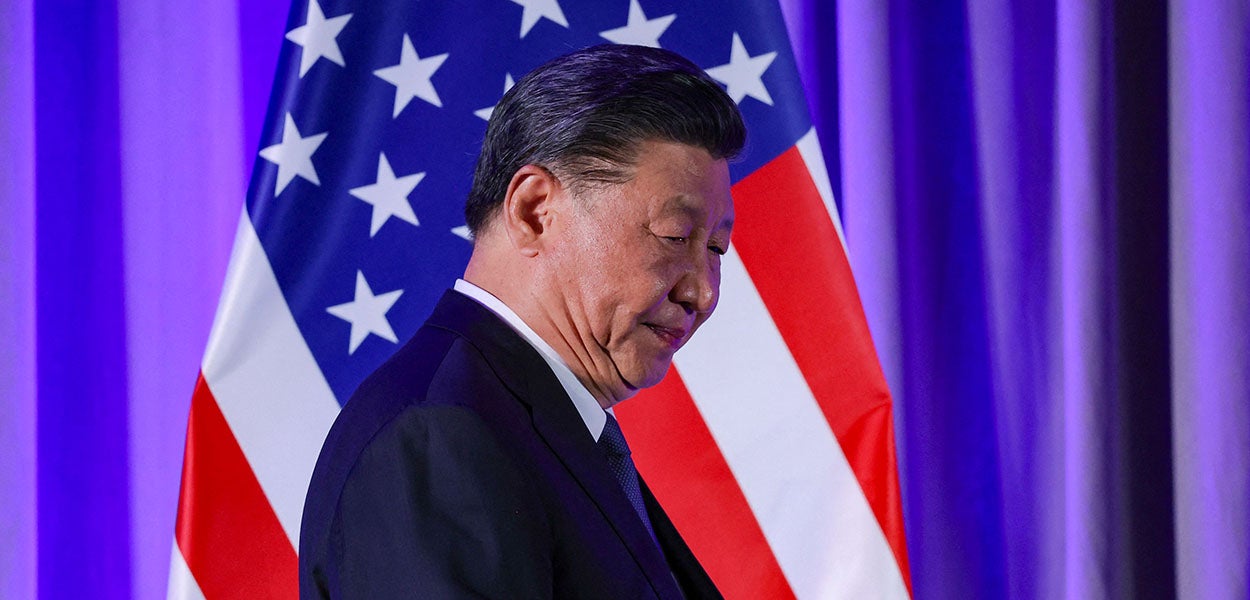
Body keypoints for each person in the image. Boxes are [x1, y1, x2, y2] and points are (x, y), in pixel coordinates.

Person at [299, 43, 745, 599]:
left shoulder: (530, 427)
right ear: (535, 211)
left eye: (717, 249)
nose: (703, 291)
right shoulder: (440, 437)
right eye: (675, 236)